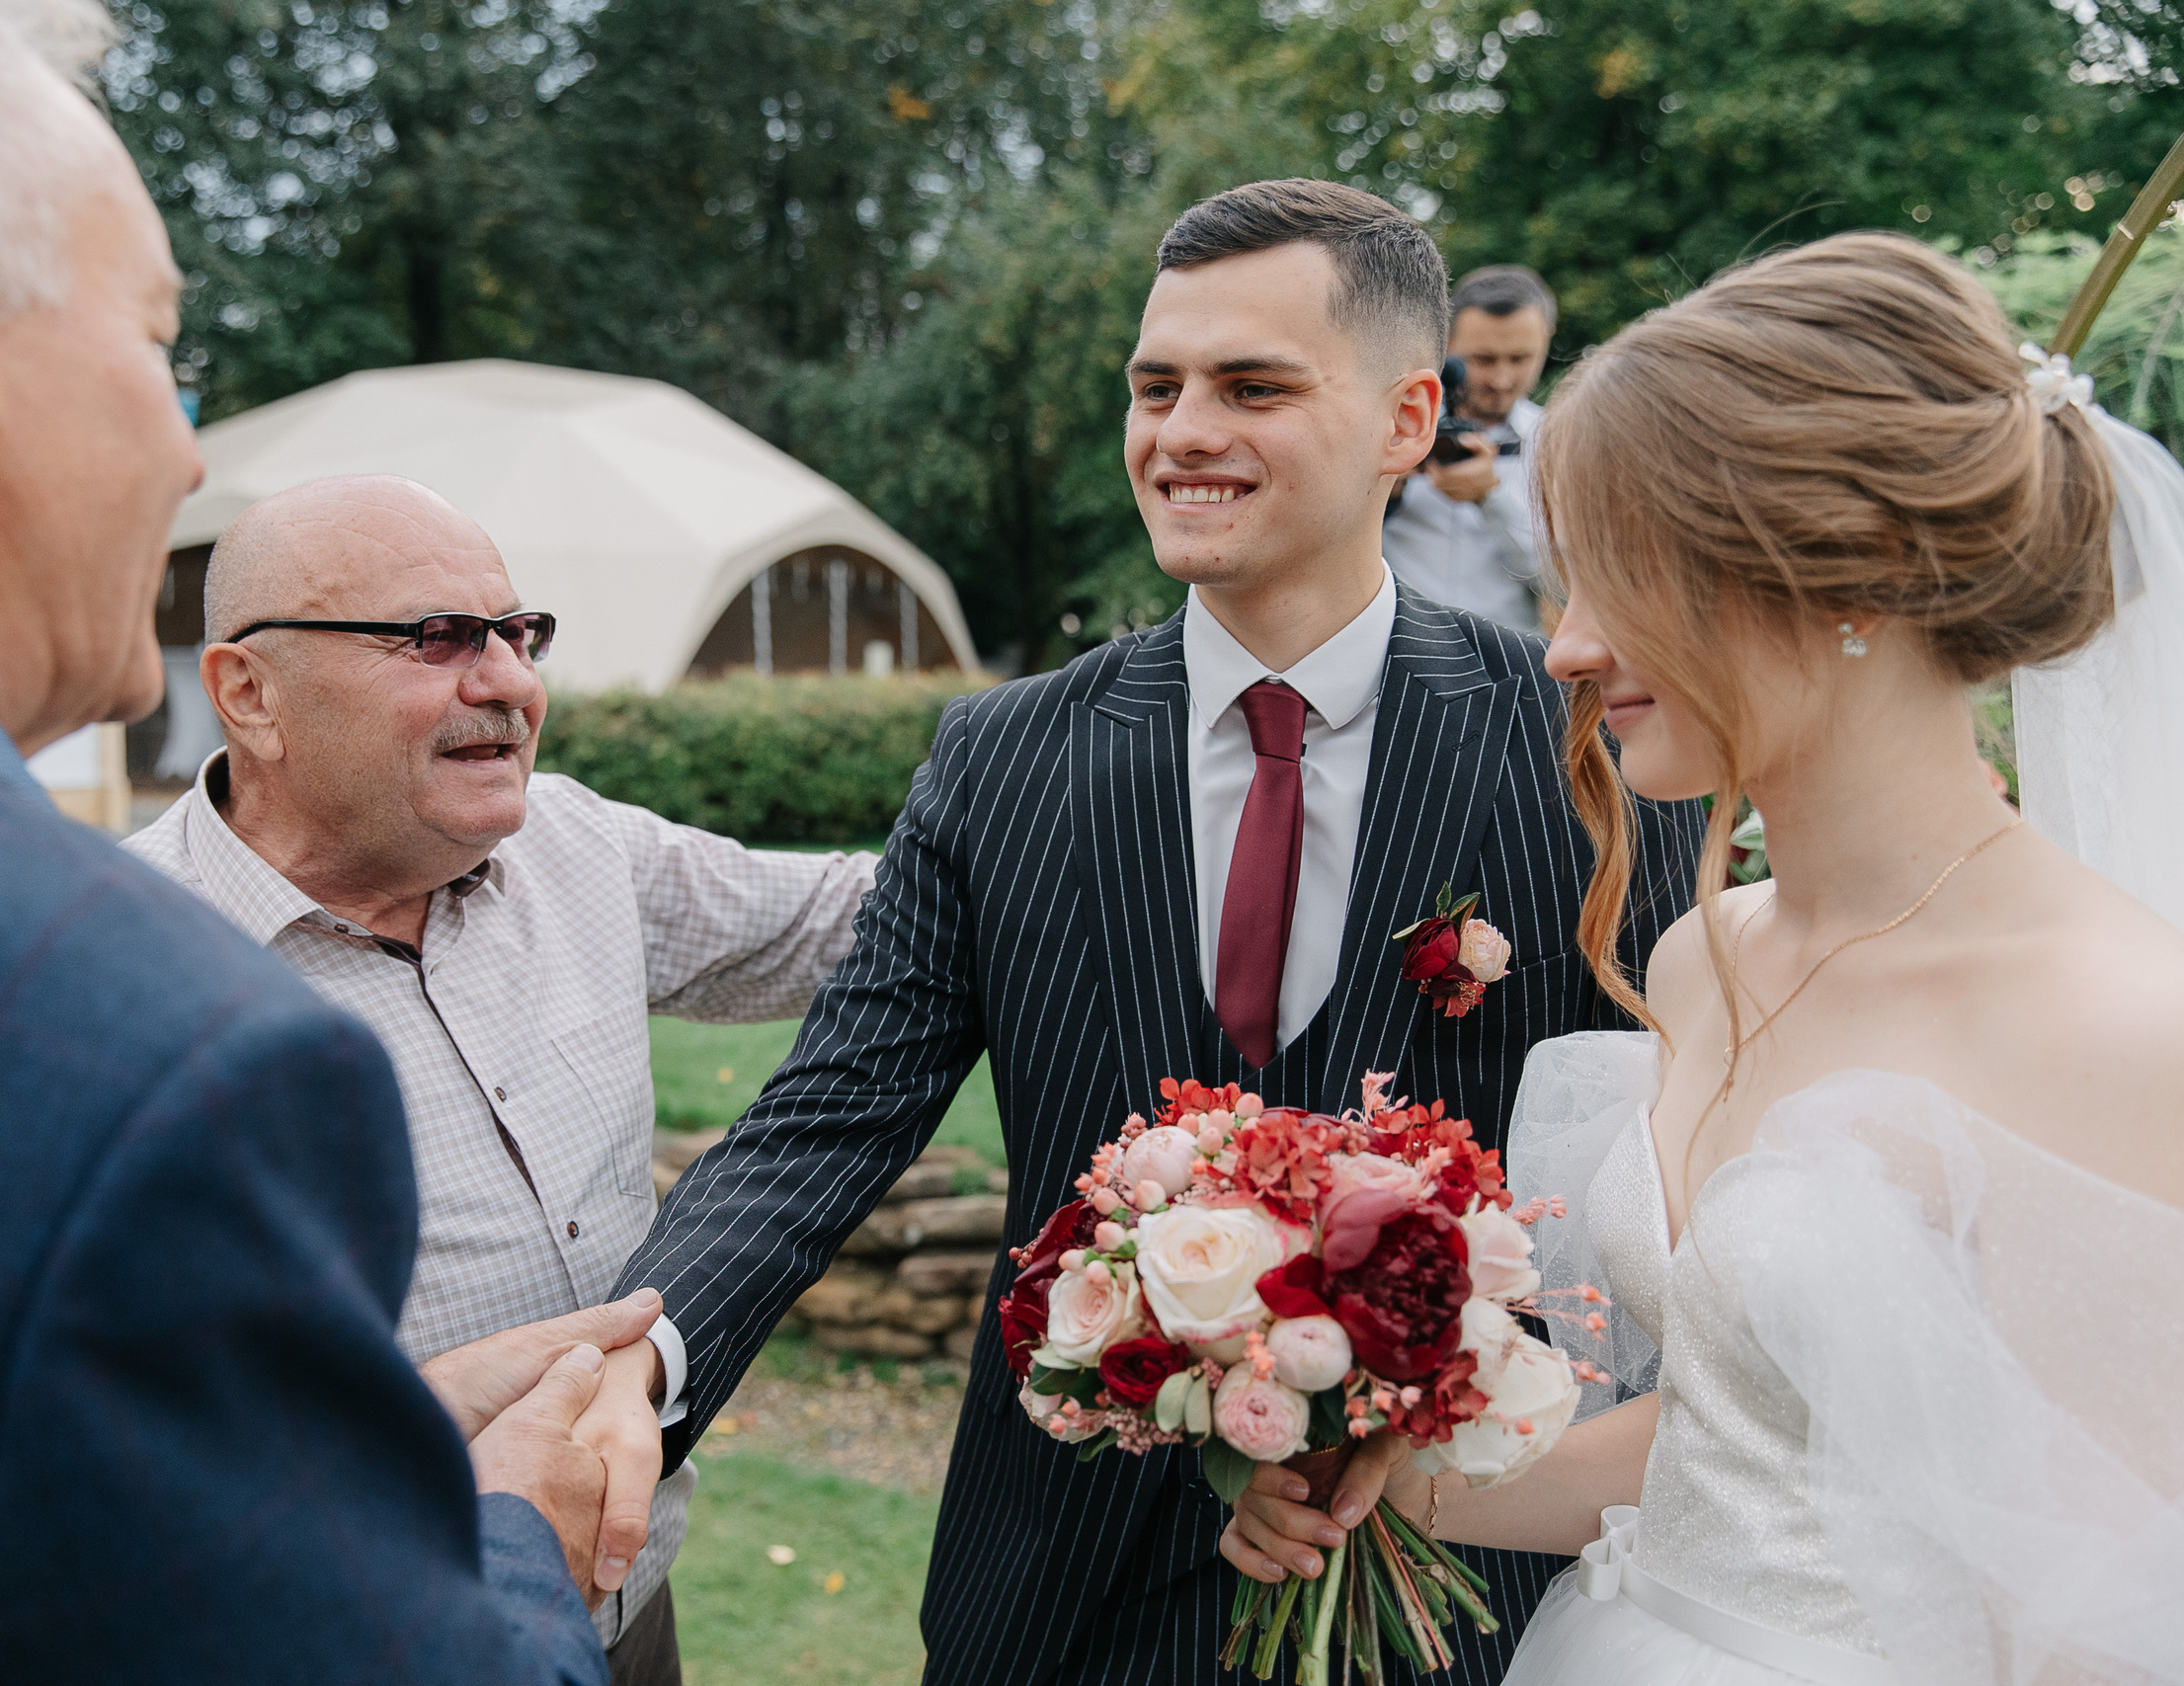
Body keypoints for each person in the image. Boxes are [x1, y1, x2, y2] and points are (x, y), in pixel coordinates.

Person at [0, 2, 642, 1680]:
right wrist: (507, 1531)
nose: (185, 449)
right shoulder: (122, 1041)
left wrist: (293, 1446)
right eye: (155, 342)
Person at [610, 178, 1702, 1686]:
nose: (1182, 429)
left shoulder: (1579, 742)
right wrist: (637, 1377)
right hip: (1058, 1589)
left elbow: (1670, 1148)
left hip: (1449, 1590)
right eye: (1155, 385)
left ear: (1405, 420)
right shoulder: (1000, 757)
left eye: (1252, 385)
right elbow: (826, 1117)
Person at [1227, 232, 2184, 1683]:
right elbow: (1733, 1434)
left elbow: (2103, 1611)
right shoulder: (1701, 955)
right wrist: (1384, 1474)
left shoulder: (2110, 1021)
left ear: (1845, 578)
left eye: (1618, 577)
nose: (1563, 645)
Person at [123, 473, 878, 1683]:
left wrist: (1085, 779)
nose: (510, 684)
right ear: (247, 694)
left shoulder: (575, 847)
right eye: (436, 639)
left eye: (518, 635)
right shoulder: (109, 972)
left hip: (625, 1617)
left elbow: (865, 920)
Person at [1383, 265, 1556, 633]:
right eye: (1484, 359)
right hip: (1396, 656)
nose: (1502, 379)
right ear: (1445, 343)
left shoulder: (1560, 442)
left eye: (1520, 358)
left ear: (1547, 338)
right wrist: (1384, 491)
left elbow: (1567, 583)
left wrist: (1491, 499)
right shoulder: (1392, 428)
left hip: (1506, 668)